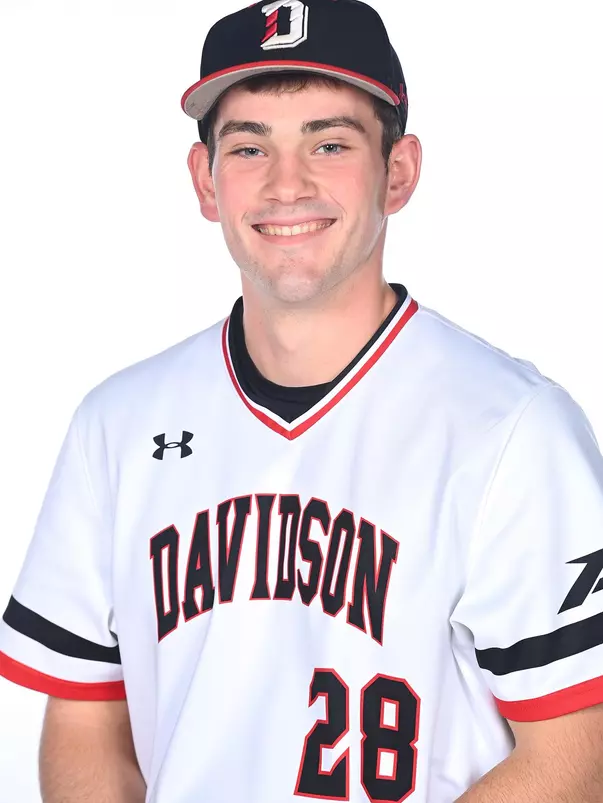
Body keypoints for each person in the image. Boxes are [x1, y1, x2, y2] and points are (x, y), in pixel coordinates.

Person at [2, 0, 603, 800]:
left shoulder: (513, 428)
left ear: (399, 170)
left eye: (329, 142)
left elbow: (574, 751)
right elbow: (85, 725)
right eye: (248, 146)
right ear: (204, 180)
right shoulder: (117, 422)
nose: (288, 183)